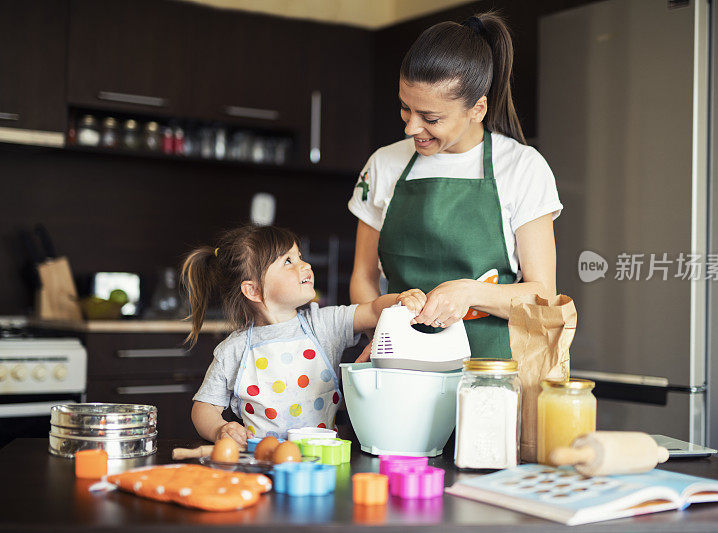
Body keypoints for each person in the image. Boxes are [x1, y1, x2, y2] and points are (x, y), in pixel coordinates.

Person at [348, 12, 563, 358]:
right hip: (401, 365)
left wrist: (469, 293)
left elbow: (543, 296)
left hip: (491, 376)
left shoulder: (522, 168)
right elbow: (362, 276)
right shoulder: (384, 164)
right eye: (405, 109)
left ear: (477, 109)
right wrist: (381, 332)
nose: (411, 128)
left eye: (430, 119)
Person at [182, 224, 424, 445]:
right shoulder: (232, 350)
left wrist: (401, 299)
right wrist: (219, 429)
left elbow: (371, 309)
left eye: (300, 256)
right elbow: (203, 408)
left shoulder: (324, 323)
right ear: (254, 290)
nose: (304, 265)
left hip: (323, 460)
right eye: (288, 261)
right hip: (262, 464)